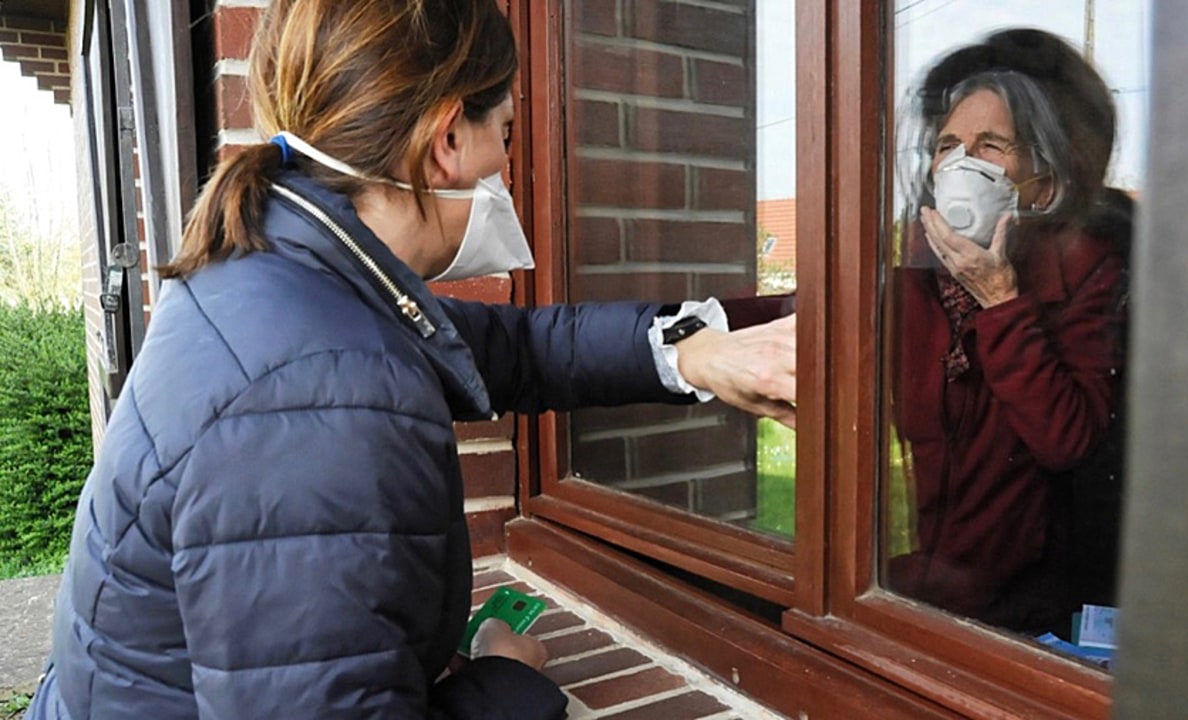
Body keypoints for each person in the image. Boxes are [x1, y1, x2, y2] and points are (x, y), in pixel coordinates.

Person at [25, 1, 796, 718]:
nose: (507, 159)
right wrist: (512, 683)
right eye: (508, 132)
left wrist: (695, 354)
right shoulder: (313, 397)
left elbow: (518, 347)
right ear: (448, 141)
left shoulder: (290, 272)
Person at [885, 28, 1130, 635]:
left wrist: (1000, 299)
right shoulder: (914, 279)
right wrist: (667, 336)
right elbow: (801, 316)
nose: (962, 161)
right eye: (948, 145)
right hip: (917, 598)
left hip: (1026, 625)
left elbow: (1065, 439)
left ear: (1042, 184)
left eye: (990, 144)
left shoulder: (1088, 274)